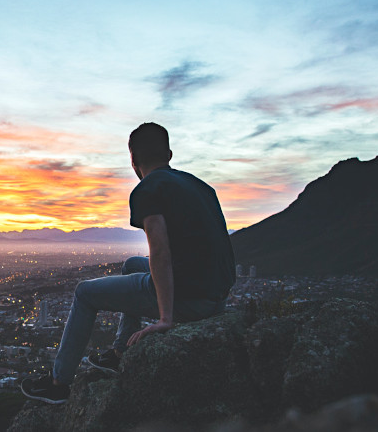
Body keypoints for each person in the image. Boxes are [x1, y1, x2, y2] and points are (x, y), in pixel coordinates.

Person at [21, 122, 236, 404]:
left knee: (84, 293)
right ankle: (120, 351)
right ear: (169, 154)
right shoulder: (200, 186)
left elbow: (159, 250)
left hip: (190, 297)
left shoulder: (148, 188)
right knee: (133, 264)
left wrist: (165, 319)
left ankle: (58, 383)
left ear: (133, 161)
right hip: (215, 296)